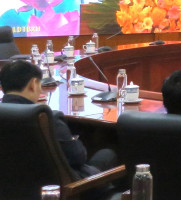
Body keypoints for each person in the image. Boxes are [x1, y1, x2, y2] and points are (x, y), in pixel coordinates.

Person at [0, 61, 119, 191]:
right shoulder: (46, 118)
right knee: (108, 153)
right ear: (33, 84)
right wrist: (74, 140)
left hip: (10, 190)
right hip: (67, 193)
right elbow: (78, 157)